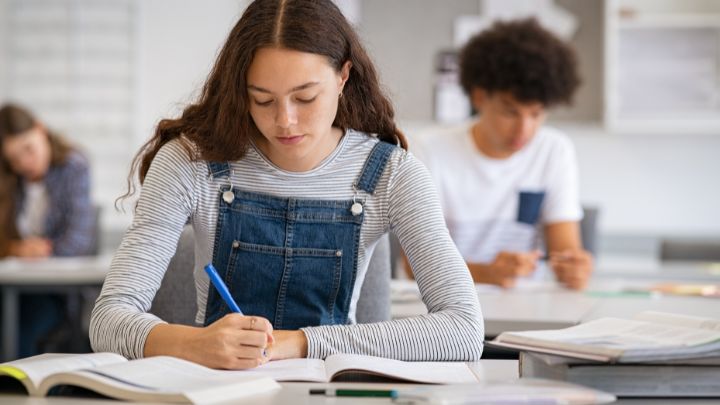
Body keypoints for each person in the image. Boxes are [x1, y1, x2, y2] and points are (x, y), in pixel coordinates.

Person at [90, 0, 483, 370]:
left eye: (306, 97)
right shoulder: (190, 162)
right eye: (262, 100)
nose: (285, 121)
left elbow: (463, 330)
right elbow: (108, 320)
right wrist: (191, 343)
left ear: (343, 76)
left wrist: (297, 344)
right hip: (216, 390)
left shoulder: (393, 175)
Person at [410, 18, 593, 290]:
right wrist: (486, 273)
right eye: (511, 111)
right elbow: (413, 266)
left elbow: (565, 251)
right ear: (479, 97)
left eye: (536, 114)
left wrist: (574, 268)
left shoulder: (554, 151)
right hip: (447, 308)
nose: (524, 128)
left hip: (527, 310)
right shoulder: (429, 151)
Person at [0, 103, 96, 357]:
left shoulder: (73, 167)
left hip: (53, 291)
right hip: (11, 286)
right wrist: (16, 249)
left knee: (21, 329)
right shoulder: (9, 179)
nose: (24, 163)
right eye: (13, 158)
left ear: (40, 130)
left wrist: (42, 249)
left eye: (28, 149)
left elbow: (78, 241)